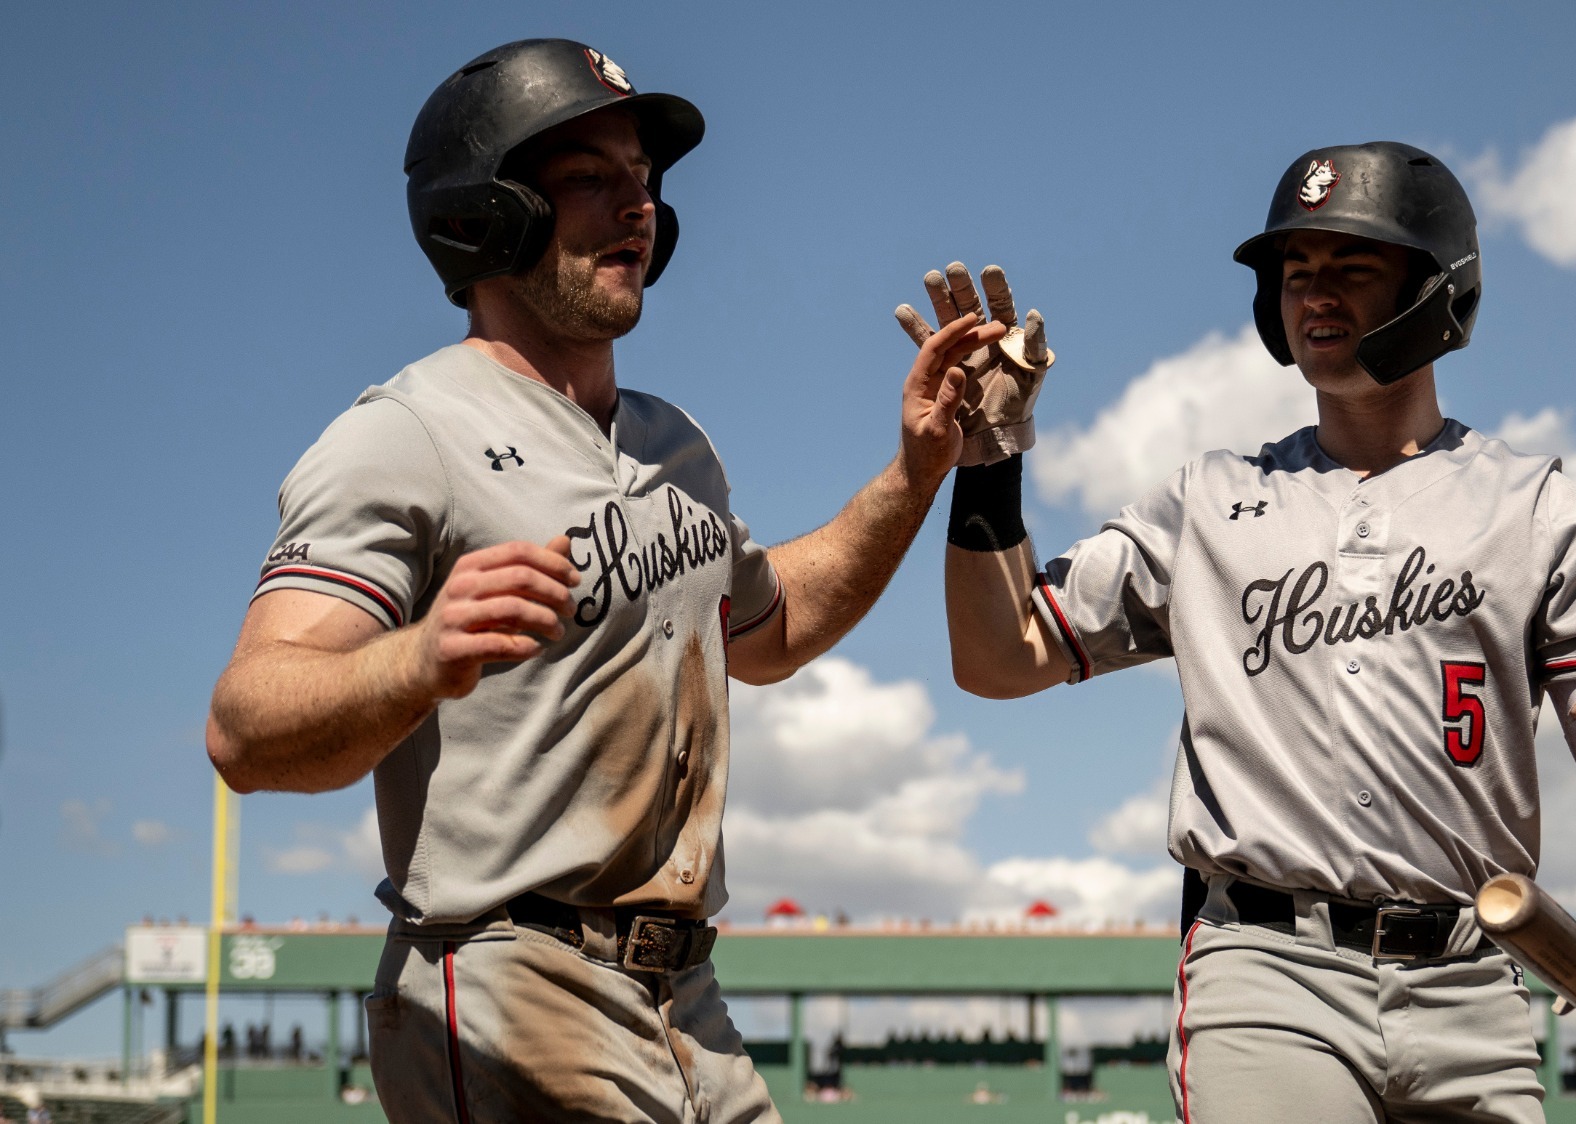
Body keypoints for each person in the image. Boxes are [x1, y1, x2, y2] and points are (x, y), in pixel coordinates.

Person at [205, 39, 1004, 1123]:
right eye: (592, 178)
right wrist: (418, 656)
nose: (639, 208)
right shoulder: (405, 433)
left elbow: (771, 631)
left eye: (647, 183)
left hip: (685, 997)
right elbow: (246, 727)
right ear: (484, 216)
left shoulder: (675, 446)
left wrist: (919, 470)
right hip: (510, 987)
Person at [919, 144, 1576, 1122]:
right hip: (1266, 966)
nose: (1313, 293)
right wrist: (988, 457)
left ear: (1433, 289)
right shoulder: (1205, 503)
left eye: (1352, 266)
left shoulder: (1539, 508)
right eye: (1295, 273)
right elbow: (999, 657)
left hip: (1474, 974)